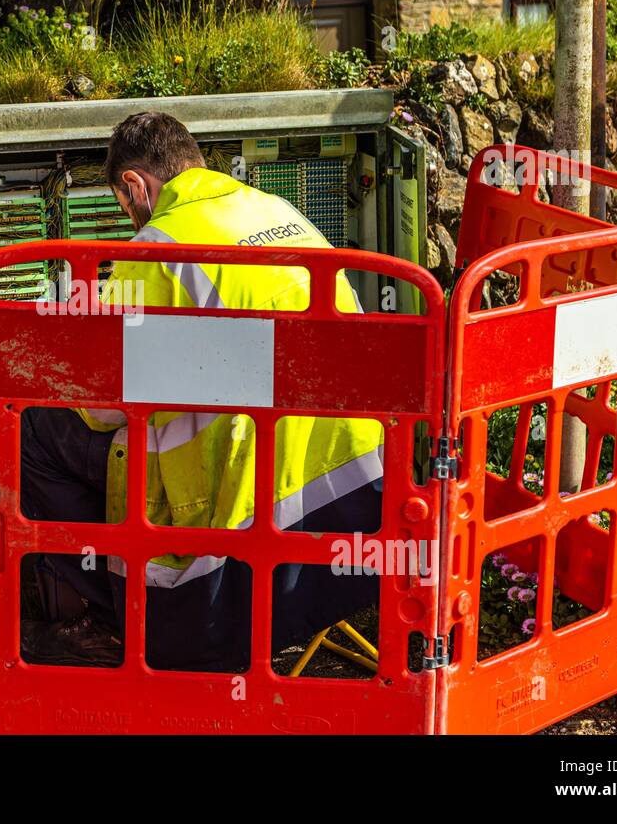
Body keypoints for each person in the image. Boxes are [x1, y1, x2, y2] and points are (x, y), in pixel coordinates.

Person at [20, 111, 385, 671]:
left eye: (124, 204)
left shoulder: (157, 246)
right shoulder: (277, 209)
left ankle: (112, 619)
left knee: (35, 431)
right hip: (354, 494)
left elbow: (104, 406)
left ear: (135, 184)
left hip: (245, 503)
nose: (130, 218)